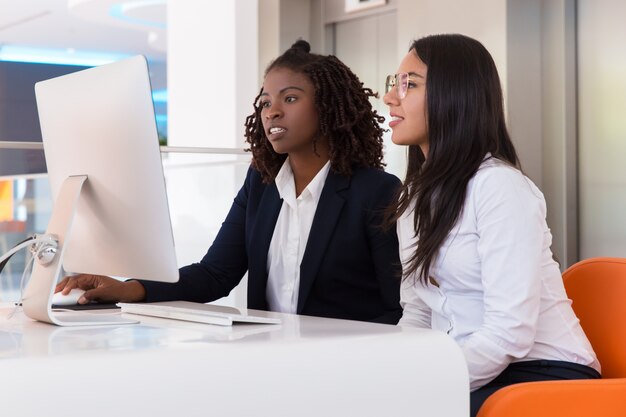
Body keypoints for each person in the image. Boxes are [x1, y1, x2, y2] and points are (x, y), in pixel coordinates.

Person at [56, 40, 403, 324]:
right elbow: (215, 274)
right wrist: (125, 288)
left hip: (350, 368)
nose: (272, 111)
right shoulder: (262, 184)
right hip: (271, 360)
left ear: (327, 108)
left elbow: (396, 305)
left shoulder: (375, 190)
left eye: (290, 98)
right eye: (265, 102)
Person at [382, 34, 600, 415]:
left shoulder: (499, 186)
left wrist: (429, 384)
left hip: (543, 374)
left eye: (410, 84)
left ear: (454, 95)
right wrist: (401, 372)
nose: (391, 98)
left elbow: (510, 332)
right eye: (394, 83)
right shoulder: (414, 198)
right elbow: (417, 311)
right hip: (474, 370)